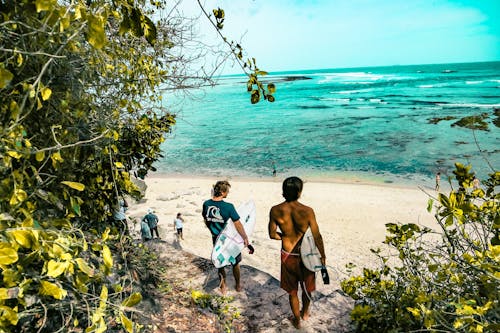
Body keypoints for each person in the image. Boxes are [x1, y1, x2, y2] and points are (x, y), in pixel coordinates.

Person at [268, 176, 326, 329]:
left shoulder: (275, 210)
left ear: (284, 191)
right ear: (300, 192)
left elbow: (272, 234)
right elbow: (316, 236)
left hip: (288, 255)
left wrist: (285, 236)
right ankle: (305, 313)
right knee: (307, 287)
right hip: (307, 254)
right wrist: (323, 256)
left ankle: (297, 320)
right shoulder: (307, 211)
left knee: (292, 291)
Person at [202, 180, 249, 293]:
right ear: (222, 192)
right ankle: (237, 285)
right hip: (229, 240)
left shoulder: (206, 204)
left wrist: (212, 230)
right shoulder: (228, 206)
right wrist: (245, 238)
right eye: (227, 191)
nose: (228, 193)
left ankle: (223, 286)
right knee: (235, 263)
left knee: (220, 263)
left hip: (216, 238)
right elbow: (238, 224)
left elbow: (206, 219)